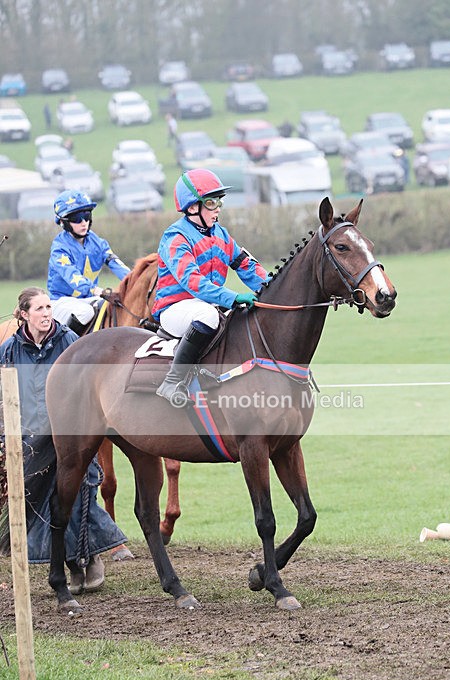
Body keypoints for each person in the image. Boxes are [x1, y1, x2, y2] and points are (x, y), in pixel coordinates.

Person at [0, 287, 129, 592]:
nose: (46, 314)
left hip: (72, 432)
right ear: (23, 315)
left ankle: (89, 555)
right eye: (39, 308)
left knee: (81, 495)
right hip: (32, 437)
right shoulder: (9, 350)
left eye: (49, 307)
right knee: (48, 501)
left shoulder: (69, 341)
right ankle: (74, 561)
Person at [152, 168, 269, 406]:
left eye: (219, 202)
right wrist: (233, 298)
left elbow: (246, 265)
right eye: (211, 202)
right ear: (193, 207)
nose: (218, 208)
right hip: (175, 309)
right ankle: (172, 382)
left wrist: (273, 287)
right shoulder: (175, 238)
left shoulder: (221, 235)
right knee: (208, 315)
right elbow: (194, 282)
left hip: (207, 305)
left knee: (244, 318)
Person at [48, 190, 130, 335]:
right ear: (63, 222)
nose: (83, 222)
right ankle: (65, 345)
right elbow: (73, 277)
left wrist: (134, 280)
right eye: (77, 218)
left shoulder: (97, 242)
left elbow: (116, 264)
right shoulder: (59, 249)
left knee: (114, 310)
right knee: (85, 312)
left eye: (86, 216)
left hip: (88, 299)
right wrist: (97, 290)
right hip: (61, 301)